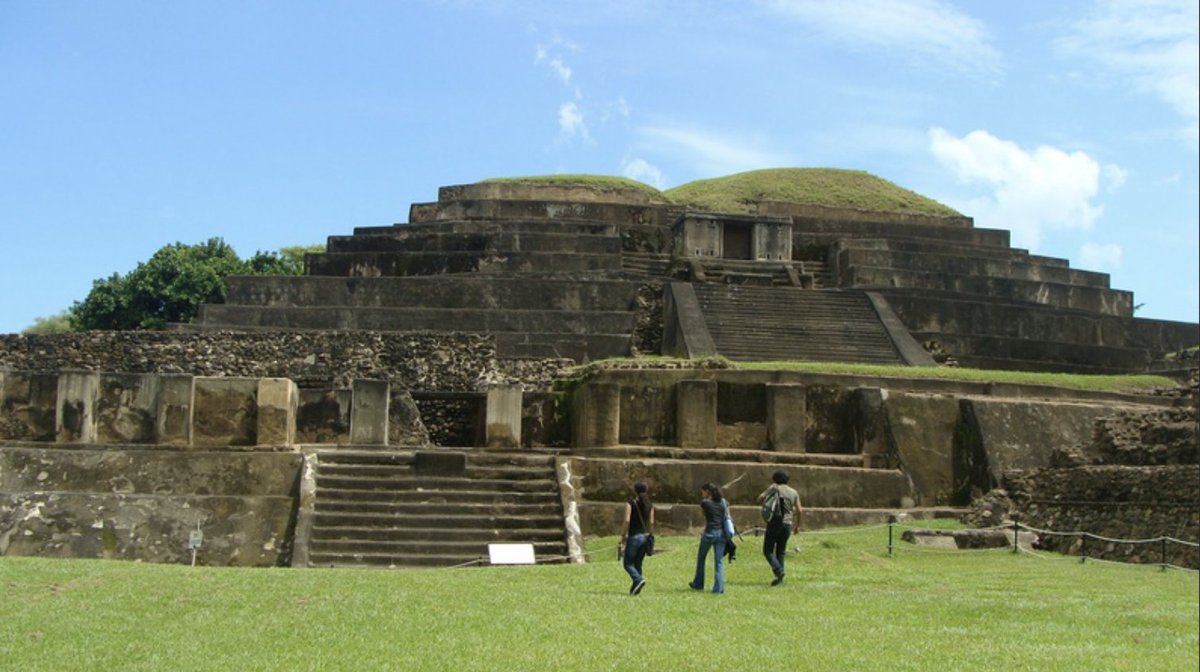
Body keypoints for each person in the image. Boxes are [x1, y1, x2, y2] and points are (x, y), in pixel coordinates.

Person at [756, 469, 802, 586]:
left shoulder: (774, 488)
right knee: (780, 552)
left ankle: (778, 571)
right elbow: (800, 510)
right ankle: (779, 579)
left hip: (775, 521)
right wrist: (797, 526)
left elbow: (759, 499)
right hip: (788, 523)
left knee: (767, 550)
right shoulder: (793, 492)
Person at [689, 482, 729, 594]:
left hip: (710, 533)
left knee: (701, 558)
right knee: (719, 562)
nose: (701, 493)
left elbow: (704, 514)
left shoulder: (705, 502)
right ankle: (719, 588)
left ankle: (698, 583)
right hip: (721, 534)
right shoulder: (723, 502)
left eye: (703, 491)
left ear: (707, 491)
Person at [619, 481, 654, 595]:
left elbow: (627, 520)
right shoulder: (650, 505)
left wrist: (623, 535)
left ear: (635, 490)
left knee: (628, 563)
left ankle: (638, 579)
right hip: (645, 536)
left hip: (634, 536)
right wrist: (650, 535)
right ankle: (636, 588)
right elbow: (651, 522)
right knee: (638, 563)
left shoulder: (631, 503)